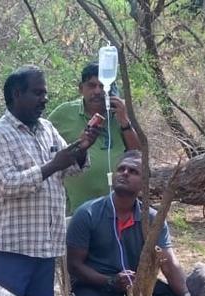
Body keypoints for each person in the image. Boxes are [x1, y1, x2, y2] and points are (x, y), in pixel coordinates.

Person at [0, 65, 100, 296]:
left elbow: (69, 169)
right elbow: (4, 185)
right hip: (11, 251)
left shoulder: (47, 129)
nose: (44, 99)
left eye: (45, 93)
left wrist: (83, 147)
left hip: (45, 248)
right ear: (16, 94)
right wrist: (51, 166)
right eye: (37, 93)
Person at [66, 151, 186, 296]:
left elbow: (168, 264)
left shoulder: (152, 219)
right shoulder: (88, 213)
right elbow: (74, 266)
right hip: (94, 287)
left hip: (137, 287)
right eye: (121, 169)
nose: (125, 173)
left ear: (144, 184)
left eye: (133, 171)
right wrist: (111, 281)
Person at [47, 61, 141, 214]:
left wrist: (124, 120)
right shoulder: (64, 114)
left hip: (116, 208)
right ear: (81, 88)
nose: (97, 91)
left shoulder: (119, 114)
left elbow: (137, 154)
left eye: (102, 86)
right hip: (74, 208)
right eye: (91, 85)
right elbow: (43, 144)